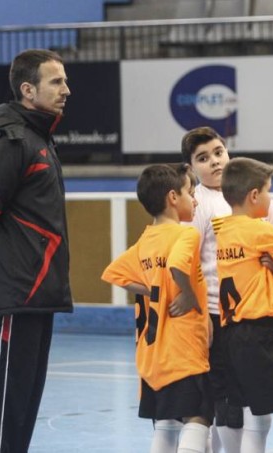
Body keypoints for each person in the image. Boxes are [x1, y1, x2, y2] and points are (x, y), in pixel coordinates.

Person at [0, 49, 73, 453]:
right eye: (56, 81)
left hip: (37, 292)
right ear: (28, 90)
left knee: (23, 407)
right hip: (15, 291)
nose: (66, 89)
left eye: (65, 80)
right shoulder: (10, 141)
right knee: (5, 406)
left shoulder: (38, 139)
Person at [180, 126, 273, 453]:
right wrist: (201, 314)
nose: (215, 162)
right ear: (191, 167)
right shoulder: (198, 204)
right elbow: (188, 262)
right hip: (219, 315)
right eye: (203, 158)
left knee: (258, 401)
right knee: (226, 403)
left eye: (218, 152)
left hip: (258, 315)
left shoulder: (253, 191)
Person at [101, 164, 211, 453]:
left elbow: (114, 274)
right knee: (198, 417)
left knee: (165, 423)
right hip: (182, 348)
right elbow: (176, 265)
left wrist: (155, 289)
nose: (194, 200)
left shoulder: (145, 241)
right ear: (173, 197)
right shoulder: (186, 235)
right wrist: (187, 294)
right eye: (189, 193)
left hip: (152, 355)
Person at [212, 157, 273, 453]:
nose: (270, 197)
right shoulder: (261, 231)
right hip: (262, 335)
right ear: (254, 195)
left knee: (255, 419)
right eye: (269, 191)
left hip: (231, 335)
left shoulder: (223, 232)